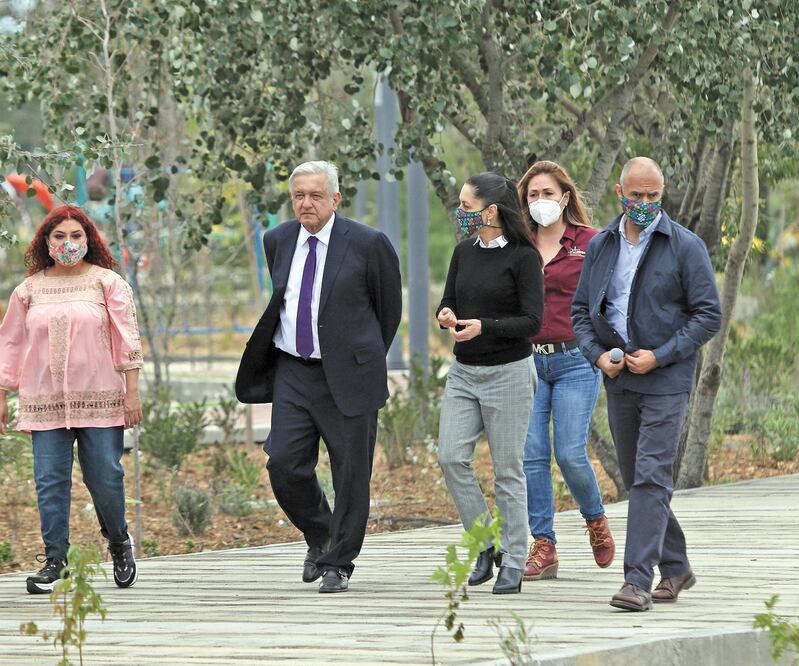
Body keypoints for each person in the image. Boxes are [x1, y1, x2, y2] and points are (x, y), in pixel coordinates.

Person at [235, 160, 402, 594]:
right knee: (284, 463)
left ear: (335, 199)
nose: (305, 204)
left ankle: (339, 562)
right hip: (293, 370)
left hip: (348, 374)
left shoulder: (368, 244)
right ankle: (321, 533)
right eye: (298, 196)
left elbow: (388, 312)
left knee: (351, 473)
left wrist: (360, 359)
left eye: (314, 195)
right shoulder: (278, 240)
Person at [571, 157, 722, 611]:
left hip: (667, 378)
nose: (643, 205)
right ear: (620, 193)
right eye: (635, 196)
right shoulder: (600, 245)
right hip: (619, 378)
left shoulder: (685, 246)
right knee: (641, 479)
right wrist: (598, 356)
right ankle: (675, 565)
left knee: (653, 475)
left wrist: (661, 354)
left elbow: (708, 314)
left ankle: (637, 580)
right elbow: (581, 312)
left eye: (652, 196)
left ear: (662, 194)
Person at [0, 205, 143, 594]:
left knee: (106, 480)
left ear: (88, 239)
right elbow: (10, 342)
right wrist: (3, 391)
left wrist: (132, 393)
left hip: (100, 399)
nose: (67, 243)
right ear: (46, 242)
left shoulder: (106, 283)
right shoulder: (28, 290)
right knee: (49, 482)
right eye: (59, 236)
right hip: (43, 401)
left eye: (75, 236)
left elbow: (126, 338)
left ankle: (119, 543)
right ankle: (54, 561)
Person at [436, 172, 544, 595]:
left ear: (491, 211)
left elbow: (531, 322)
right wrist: (446, 314)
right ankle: (486, 543)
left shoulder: (523, 257)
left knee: (507, 472)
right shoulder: (463, 253)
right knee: (450, 457)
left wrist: (485, 327)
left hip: (509, 374)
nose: (460, 212)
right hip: (464, 373)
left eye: (466, 206)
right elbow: (449, 300)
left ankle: (515, 560)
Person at [516, 161, 614, 582]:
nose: (541, 202)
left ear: (565, 197)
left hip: (576, 359)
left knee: (569, 451)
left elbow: (613, 296)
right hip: (527, 362)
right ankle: (544, 544)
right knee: (531, 454)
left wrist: (606, 348)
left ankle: (595, 520)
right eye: (533, 196)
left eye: (548, 194)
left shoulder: (590, 243)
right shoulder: (517, 245)